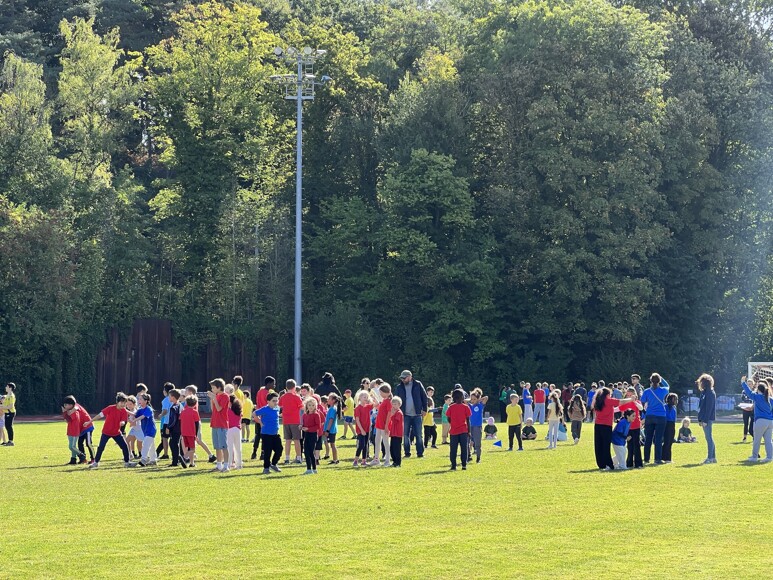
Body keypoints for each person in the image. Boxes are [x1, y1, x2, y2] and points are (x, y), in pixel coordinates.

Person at [593, 387, 634, 470]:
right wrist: (631, 399)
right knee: (606, 445)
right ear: (608, 394)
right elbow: (621, 402)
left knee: (598, 445)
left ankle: (601, 464)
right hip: (606, 425)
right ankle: (608, 463)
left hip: (597, 425)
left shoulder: (597, 401)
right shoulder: (608, 400)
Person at [89, 392, 131, 469]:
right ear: (117, 402)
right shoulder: (110, 408)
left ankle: (127, 462)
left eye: (124, 403)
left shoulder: (124, 411)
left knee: (124, 446)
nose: (123, 404)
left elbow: (123, 420)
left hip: (116, 433)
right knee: (101, 447)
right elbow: (100, 415)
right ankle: (96, 462)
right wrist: (90, 421)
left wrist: (122, 423)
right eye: (121, 402)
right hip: (106, 432)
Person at [394, 370, 428, 459]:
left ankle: (420, 453)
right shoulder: (399, 387)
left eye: (404, 378)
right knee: (405, 435)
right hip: (405, 415)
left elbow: (424, 397)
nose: (402, 380)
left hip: (417, 414)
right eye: (401, 378)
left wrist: (425, 409)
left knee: (419, 434)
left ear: (410, 377)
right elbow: (395, 400)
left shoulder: (418, 384)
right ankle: (407, 453)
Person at [741, 376, 773, 463]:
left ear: (758, 389)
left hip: (760, 421)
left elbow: (749, 392)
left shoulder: (757, 397)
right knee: (768, 440)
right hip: (770, 421)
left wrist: (743, 383)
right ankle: (769, 457)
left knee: (757, 440)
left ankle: (754, 457)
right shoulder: (770, 399)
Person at [640, 373, 670, 465]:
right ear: (659, 381)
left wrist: (645, 412)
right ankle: (657, 459)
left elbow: (642, 403)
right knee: (658, 438)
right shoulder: (664, 390)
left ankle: (646, 459)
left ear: (651, 381)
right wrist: (661, 378)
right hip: (661, 416)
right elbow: (667, 386)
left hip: (649, 416)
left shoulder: (647, 391)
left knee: (648, 438)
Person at [184, 385, 216, 464]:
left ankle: (210, 455)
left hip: (194, 423)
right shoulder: (191, 399)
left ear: (190, 392)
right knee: (195, 440)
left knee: (198, 440)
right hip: (192, 422)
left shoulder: (192, 400)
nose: (185, 393)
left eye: (186, 391)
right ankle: (192, 456)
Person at [253, 392, 282, 474]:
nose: (276, 402)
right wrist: (260, 422)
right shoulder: (265, 409)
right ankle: (266, 468)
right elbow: (254, 413)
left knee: (279, 449)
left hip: (275, 434)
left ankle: (273, 464)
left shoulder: (277, 408)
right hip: (266, 434)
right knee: (267, 451)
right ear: (268, 401)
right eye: (273, 401)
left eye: (277, 400)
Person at [207, 378, 230, 472]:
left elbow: (219, 408)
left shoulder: (225, 396)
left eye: (213, 387)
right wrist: (212, 399)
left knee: (224, 446)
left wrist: (214, 398)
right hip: (215, 423)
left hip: (222, 424)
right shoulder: (216, 396)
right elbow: (213, 409)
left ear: (219, 388)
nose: (212, 389)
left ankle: (226, 466)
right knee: (217, 447)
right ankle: (219, 465)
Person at [279, 379, 303, 464]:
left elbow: (280, 405)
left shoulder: (283, 397)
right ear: (294, 387)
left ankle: (287, 458)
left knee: (287, 440)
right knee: (296, 440)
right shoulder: (297, 397)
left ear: (286, 387)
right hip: (295, 421)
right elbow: (302, 407)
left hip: (286, 421)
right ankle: (299, 457)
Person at [446, 388, 472, 470]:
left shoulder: (451, 407)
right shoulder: (466, 407)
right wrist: (469, 431)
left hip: (453, 431)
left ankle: (453, 465)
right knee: (464, 448)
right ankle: (464, 465)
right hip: (463, 431)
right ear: (462, 397)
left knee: (453, 449)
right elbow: (468, 420)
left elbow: (448, 418)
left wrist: (453, 423)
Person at [618, 387, 644, 469]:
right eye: (628, 395)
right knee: (629, 445)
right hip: (628, 427)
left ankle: (638, 463)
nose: (629, 397)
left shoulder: (637, 402)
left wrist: (634, 401)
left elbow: (641, 408)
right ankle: (629, 463)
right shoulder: (625, 404)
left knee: (636, 444)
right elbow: (618, 409)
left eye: (631, 395)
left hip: (636, 426)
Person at [251, 376, 275, 460]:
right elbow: (269, 405)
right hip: (265, 417)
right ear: (268, 384)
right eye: (273, 384)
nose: (274, 385)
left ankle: (254, 453)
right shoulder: (268, 394)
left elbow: (258, 402)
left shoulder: (259, 391)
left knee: (257, 435)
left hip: (258, 415)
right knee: (265, 435)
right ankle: (263, 453)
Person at [132, 393, 158, 467]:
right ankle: (153, 460)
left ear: (146, 401)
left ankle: (143, 459)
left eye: (141, 399)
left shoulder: (148, 409)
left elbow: (143, 416)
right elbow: (134, 415)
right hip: (145, 431)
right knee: (151, 446)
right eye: (138, 399)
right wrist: (126, 411)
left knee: (145, 444)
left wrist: (135, 420)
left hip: (151, 430)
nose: (139, 400)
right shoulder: (140, 409)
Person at [370, 384, 393, 466]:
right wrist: (376, 403)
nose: (380, 394)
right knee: (377, 441)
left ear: (386, 392)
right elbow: (381, 409)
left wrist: (386, 426)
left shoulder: (389, 402)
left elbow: (389, 414)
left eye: (381, 393)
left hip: (384, 425)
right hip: (379, 424)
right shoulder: (384, 400)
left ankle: (387, 460)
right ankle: (376, 459)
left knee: (386, 442)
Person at [697, 373, 717, 464]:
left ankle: (710, 457)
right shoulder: (703, 392)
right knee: (708, 437)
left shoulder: (710, 393)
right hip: (703, 418)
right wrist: (700, 419)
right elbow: (701, 406)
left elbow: (709, 408)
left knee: (709, 438)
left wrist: (705, 420)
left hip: (707, 419)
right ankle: (713, 458)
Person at [62, 396, 86, 465]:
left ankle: (81, 455)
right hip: (70, 431)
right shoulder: (70, 412)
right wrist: (65, 413)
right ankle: (73, 459)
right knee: (73, 446)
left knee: (71, 447)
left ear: (71, 405)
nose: (65, 406)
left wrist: (64, 412)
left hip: (74, 432)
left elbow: (68, 419)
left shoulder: (75, 412)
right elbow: (67, 420)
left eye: (66, 405)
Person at [166, 388, 186, 468]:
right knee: (174, 443)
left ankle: (177, 459)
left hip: (175, 429)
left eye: (169, 396)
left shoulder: (174, 407)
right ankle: (176, 459)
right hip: (179, 428)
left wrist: (169, 427)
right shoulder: (180, 405)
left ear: (173, 397)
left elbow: (173, 419)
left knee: (173, 444)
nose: (168, 397)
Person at [468, 388, 488, 463]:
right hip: (470, 426)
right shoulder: (470, 406)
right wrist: (470, 400)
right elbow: (464, 401)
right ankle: (468, 456)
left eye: (474, 399)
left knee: (477, 443)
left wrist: (479, 400)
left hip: (477, 426)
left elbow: (486, 398)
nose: (472, 401)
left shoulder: (480, 405)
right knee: (468, 442)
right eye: (471, 399)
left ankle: (478, 458)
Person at [301, 397, 321, 474]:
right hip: (306, 434)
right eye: (309, 405)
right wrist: (301, 427)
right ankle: (309, 468)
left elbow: (318, 426)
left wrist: (308, 429)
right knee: (306, 451)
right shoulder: (305, 415)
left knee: (310, 452)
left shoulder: (316, 415)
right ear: (306, 406)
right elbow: (304, 424)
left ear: (315, 406)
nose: (311, 407)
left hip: (313, 435)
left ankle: (314, 468)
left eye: (313, 405)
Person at [180, 394, 200, 467]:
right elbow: (197, 424)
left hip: (184, 433)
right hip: (191, 433)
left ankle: (192, 463)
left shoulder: (183, 411)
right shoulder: (195, 412)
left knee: (189, 448)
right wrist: (196, 435)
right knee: (192, 449)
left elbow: (180, 421)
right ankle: (184, 457)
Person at [353, 391, 373, 467]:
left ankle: (364, 461)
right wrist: (361, 430)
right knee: (361, 445)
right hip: (361, 430)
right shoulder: (357, 408)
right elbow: (357, 420)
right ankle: (356, 460)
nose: (366, 398)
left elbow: (376, 404)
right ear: (360, 398)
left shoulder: (367, 407)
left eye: (367, 397)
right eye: (364, 397)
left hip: (367, 428)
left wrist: (372, 396)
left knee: (366, 445)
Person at [226, 387, 243, 470]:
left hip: (229, 429)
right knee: (238, 448)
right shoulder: (238, 410)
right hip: (237, 429)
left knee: (229, 447)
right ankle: (239, 464)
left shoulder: (228, 411)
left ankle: (229, 463)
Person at [156, 383, 173, 459]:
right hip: (173, 421)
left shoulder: (166, 400)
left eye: (164, 389)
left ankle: (165, 454)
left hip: (166, 422)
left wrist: (160, 415)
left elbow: (165, 410)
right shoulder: (174, 399)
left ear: (166, 391)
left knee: (164, 438)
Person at [387, 396, 404, 468]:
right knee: (392, 448)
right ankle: (394, 461)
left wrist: (392, 414)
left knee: (397, 449)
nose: (393, 406)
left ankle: (398, 463)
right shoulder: (394, 412)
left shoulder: (399, 413)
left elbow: (395, 421)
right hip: (393, 433)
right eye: (393, 404)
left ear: (399, 405)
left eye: (395, 404)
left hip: (398, 434)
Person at [323, 392, 340, 464]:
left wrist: (327, 430)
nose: (328, 399)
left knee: (332, 444)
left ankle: (335, 459)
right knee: (332, 444)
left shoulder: (333, 409)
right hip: (331, 430)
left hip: (331, 430)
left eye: (329, 398)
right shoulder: (331, 408)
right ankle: (335, 459)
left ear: (333, 400)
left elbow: (331, 420)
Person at [662, 392, 678, 463]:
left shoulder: (674, 407)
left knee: (670, 442)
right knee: (667, 442)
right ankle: (666, 458)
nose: (675, 401)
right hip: (667, 424)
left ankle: (667, 458)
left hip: (672, 424)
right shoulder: (665, 406)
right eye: (674, 399)